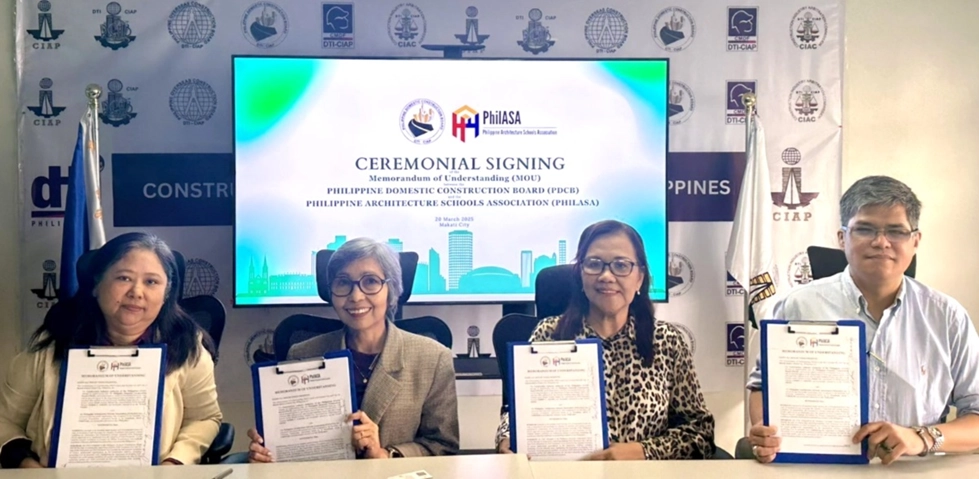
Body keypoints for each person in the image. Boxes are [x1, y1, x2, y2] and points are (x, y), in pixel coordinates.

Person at [746, 176, 979, 464]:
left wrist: (921, 437)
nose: (881, 242)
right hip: (817, 470)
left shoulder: (947, 317)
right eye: (865, 229)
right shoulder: (798, 305)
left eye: (896, 231)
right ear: (842, 238)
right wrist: (765, 431)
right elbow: (761, 387)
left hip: (915, 471)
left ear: (915, 241)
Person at [496, 220, 715, 460]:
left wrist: (642, 451)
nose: (606, 276)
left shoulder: (666, 341)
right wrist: (507, 436)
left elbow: (700, 433)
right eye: (594, 264)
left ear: (640, 278)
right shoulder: (550, 334)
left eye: (621, 265)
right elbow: (517, 411)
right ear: (580, 274)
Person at [0, 232, 222, 468]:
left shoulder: (186, 346)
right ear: (96, 284)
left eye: (151, 282)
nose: (137, 292)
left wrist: (174, 463)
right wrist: (27, 465)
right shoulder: (52, 343)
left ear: (166, 294)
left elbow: (204, 418)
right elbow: (5, 421)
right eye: (124, 278)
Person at [247, 238, 459, 461]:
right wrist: (266, 453)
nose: (356, 296)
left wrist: (386, 455)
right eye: (343, 283)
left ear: (392, 289)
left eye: (370, 282)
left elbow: (442, 446)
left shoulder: (433, 358)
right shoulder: (302, 354)